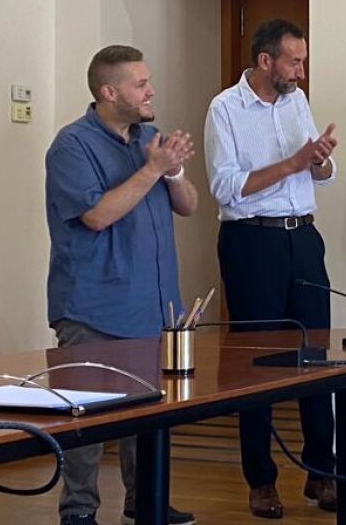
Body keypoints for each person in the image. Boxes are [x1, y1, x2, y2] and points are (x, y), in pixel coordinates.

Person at [45, 45, 199, 525]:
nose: (151, 91)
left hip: (153, 305)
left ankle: (145, 499)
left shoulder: (150, 138)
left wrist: (173, 171)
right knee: (85, 418)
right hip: (93, 304)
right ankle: (78, 512)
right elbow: (95, 216)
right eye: (141, 84)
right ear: (109, 92)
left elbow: (190, 206)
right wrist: (152, 169)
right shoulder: (71, 145)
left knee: (148, 414)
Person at [203, 19, 339, 519]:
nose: (300, 71)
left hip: (302, 237)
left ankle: (321, 471)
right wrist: (293, 163)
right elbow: (225, 187)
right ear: (265, 61)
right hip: (251, 241)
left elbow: (318, 174)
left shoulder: (296, 101)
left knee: (315, 356)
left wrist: (319, 161)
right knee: (255, 362)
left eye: (302, 61)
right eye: (293, 61)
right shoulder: (225, 109)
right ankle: (260, 480)